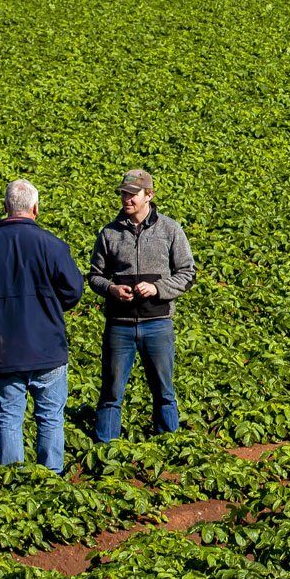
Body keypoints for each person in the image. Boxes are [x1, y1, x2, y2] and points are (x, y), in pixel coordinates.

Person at [0, 179, 86, 471]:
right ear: (35, 208)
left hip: (3, 346)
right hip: (47, 345)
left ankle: (12, 481)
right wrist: (50, 307)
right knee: (51, 416)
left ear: (5, 207)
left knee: (8, 417)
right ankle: (51, 477)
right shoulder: (52, 245)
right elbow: (74, 290)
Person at [88, 168, 196, 442]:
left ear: (149, 195)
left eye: (132, 194)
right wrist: (111, 289)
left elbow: (188, 273)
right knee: (111, 393)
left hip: (158, 324)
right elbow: (94, 276)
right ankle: (106, 449)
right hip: (119, 326)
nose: (127, 199)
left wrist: (157, 289)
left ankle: (168, 445)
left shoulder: (170, 229)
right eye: (124, 194)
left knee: (164, 391)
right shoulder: (110, 233)